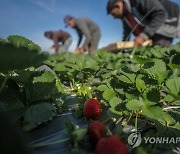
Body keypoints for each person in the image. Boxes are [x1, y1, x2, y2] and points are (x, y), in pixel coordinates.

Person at [107, 0, 180, 47]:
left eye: (113, 13)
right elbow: (126, 33)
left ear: (118, 6)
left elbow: (160, 14)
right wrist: (123, 46)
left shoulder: (137, 1)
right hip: (152, 31)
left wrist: (143, 36)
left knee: (159, 49)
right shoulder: (126, 18)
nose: (114, 17)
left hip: (167, 23)